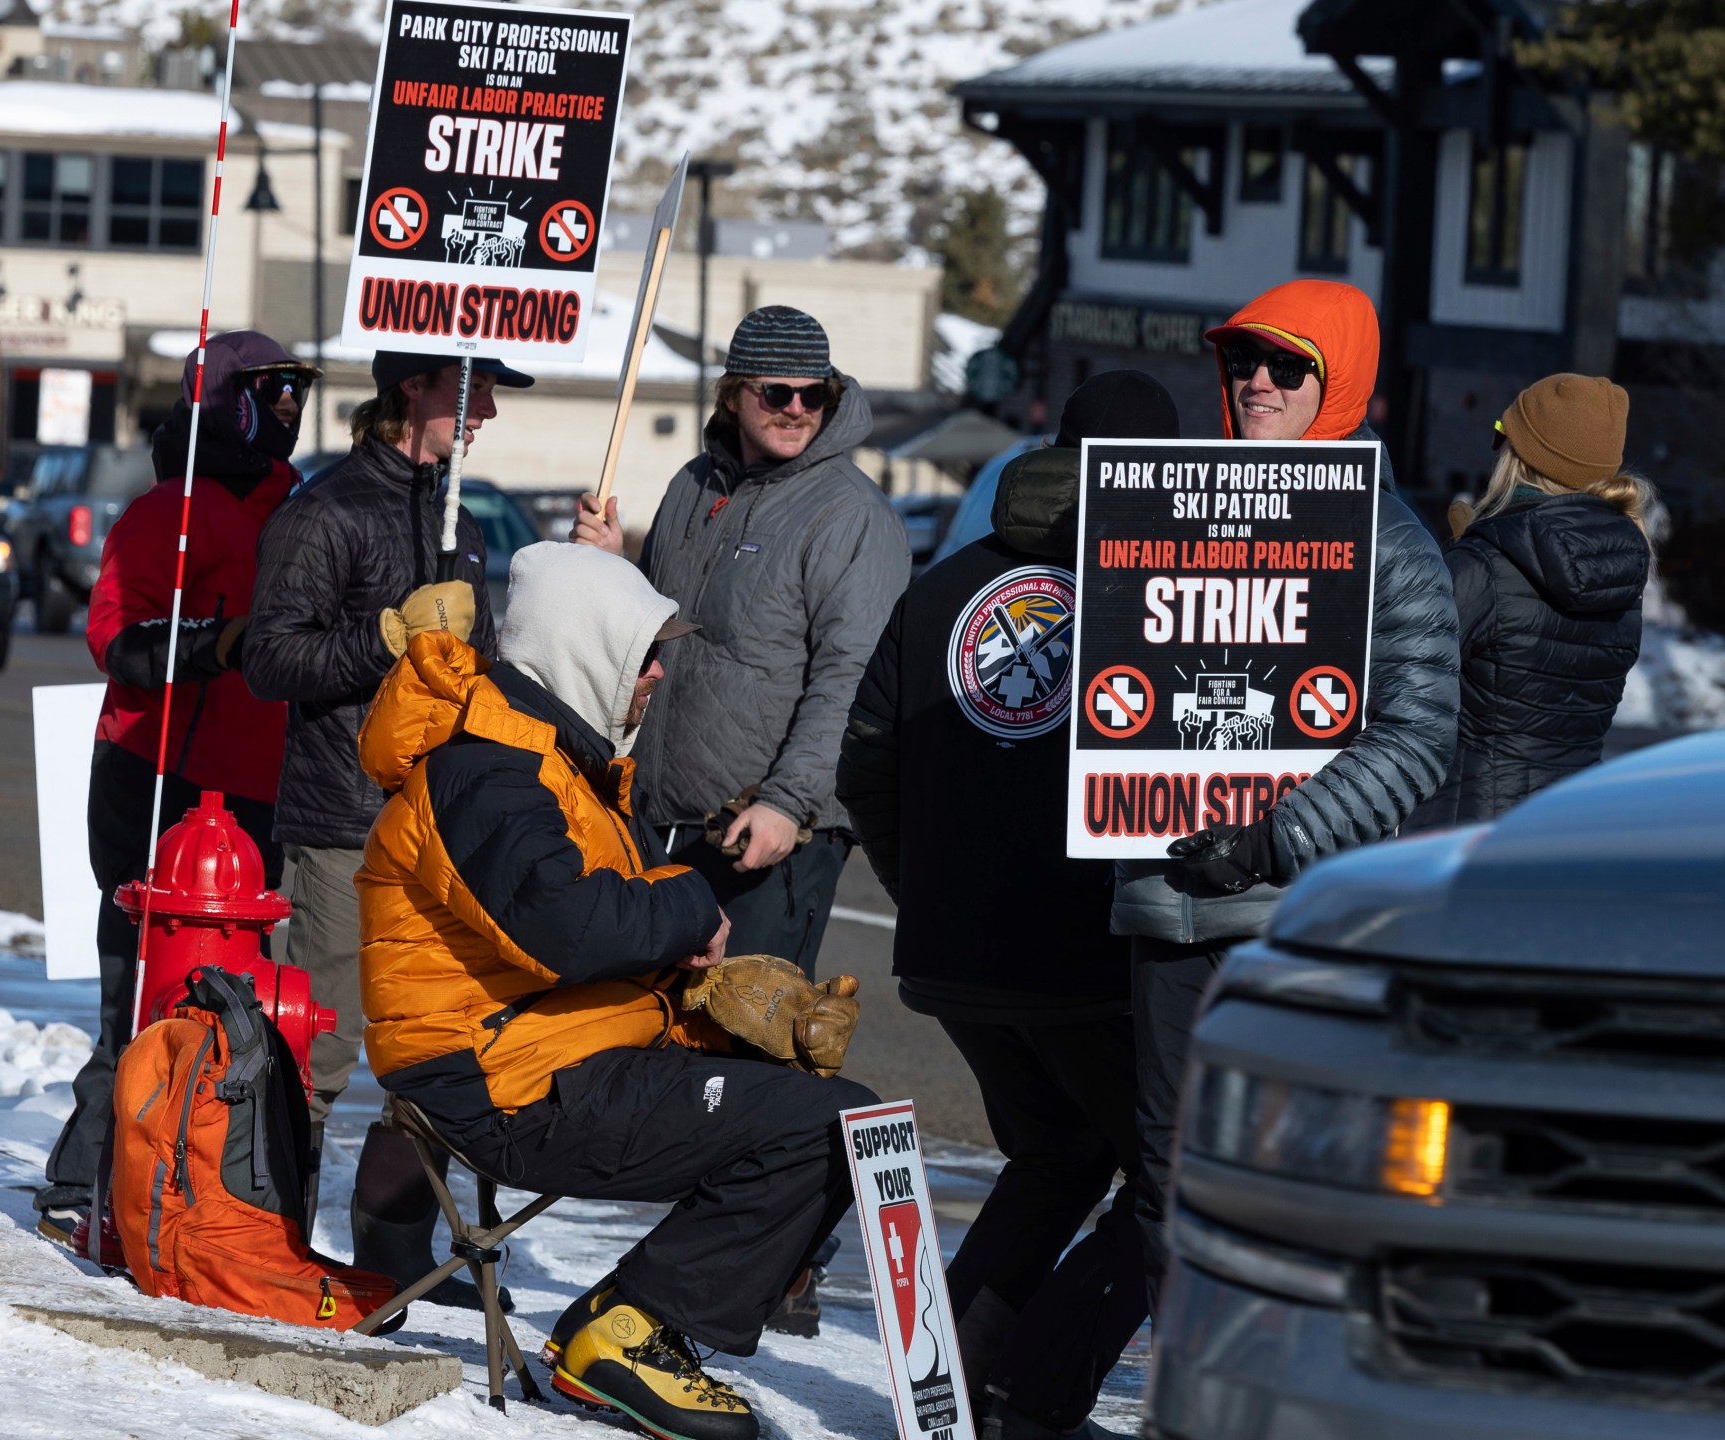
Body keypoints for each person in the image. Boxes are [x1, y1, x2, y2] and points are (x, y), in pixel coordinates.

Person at [356, 543, 872, 1440]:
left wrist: (703, 1004)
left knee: (834, 1110)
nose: (659, 672)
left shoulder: (550, 763)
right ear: (584, 649)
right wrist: (688, 904)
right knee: (824, 1130)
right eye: (644, 652)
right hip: (500, 1083)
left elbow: (569, 937)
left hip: (544, 1052)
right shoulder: (490, 771)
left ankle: (641, 1323)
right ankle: (629, 1334)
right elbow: (565, 929)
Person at [840, 371, 1176, 1440]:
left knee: (1060, 1155)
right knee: (1179, 1181)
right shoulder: (1145, 594)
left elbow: (867, 766)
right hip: (1084, 958)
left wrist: (923, 889)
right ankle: (1026, 1395)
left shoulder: (942, 588)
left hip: (953, 956)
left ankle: (955, 1395)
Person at [1115, 280, 1460, 1311]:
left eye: (1285, 365)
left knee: (1289, 1182)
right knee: (1164, 1182)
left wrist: (1276, 839)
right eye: (1240, 363)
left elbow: (1417, 736)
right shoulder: (1170, 511)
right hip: (1167, 904)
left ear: (1339, 379)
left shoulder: (1388, 543)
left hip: (1297, 914)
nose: (1256, 382)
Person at [245, 349, 518, 1297]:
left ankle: (404, 1250)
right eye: (471, 389)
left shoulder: (463, 521)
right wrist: (387, 637)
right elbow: (270, 661)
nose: (485, 410)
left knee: (441, 1050)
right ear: (414, 388)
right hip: (341, 826)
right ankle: (272, 1250)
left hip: (440, 835)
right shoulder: (325, 511)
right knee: (314, 1055)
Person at [36, 331, 316, 1238]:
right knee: (140, 996)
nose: (288, 405)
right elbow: (118, 643)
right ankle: (83, 1186)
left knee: (240, 1008)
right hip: (153, 777)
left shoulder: (297, 506)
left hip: (257, 791)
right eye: (270, 389)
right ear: (222, 399)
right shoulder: (167, 512)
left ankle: (200, 1188)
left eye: (296, 390)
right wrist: (213, 641)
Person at [573, 306, 908, 984]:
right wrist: (611, 570)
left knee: (743, 1046)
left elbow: (851, 681)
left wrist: (788, 802)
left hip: (768, 829)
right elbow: (655, 630)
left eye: (812, 394)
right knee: (650, 1033)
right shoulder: (694, 485)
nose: (795, 409)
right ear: (733, 394)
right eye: (774, 392)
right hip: (661, 820)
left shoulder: (851, 514)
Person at [1409, 375, 1650, 830]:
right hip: (1572, 823)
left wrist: (1459, 564)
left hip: (1469, 827)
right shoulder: (1625, 568)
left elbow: (1400, 682)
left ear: (1523, 457)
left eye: (1503, 433)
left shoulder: (1482, 567)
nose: (1496, 447)